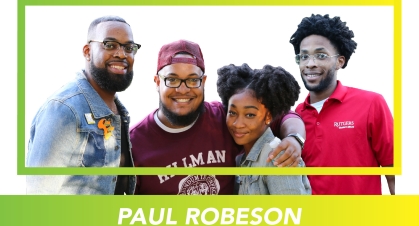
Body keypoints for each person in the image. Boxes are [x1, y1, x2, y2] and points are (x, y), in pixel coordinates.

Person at [129, 39, 306, 195]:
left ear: (203, 82)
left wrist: (294, 138)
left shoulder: (226, 118)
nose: (183, 89)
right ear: (158, 82)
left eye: (192, 80)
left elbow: (283, 115)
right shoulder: (134, 144)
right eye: (172, 80)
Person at [26, 15, 140, 194]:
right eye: (110, 45)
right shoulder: (64, 110)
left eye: (129, 47)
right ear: (87, 51)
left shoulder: (118, 115)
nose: (121, 53)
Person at [289, 14, 395, 195]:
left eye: (320, 55)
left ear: (340, 61)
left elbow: (394, 171)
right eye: (304, 56)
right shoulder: (296, 116)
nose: (310, 64)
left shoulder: (371, 104)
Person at [216, 63, 311, 195]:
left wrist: (295, 138)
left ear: (268, 117)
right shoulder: (244, 158)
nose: (238, 124)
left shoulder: (277, 157)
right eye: (232, 113)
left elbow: (293, 213)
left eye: (250, 115)